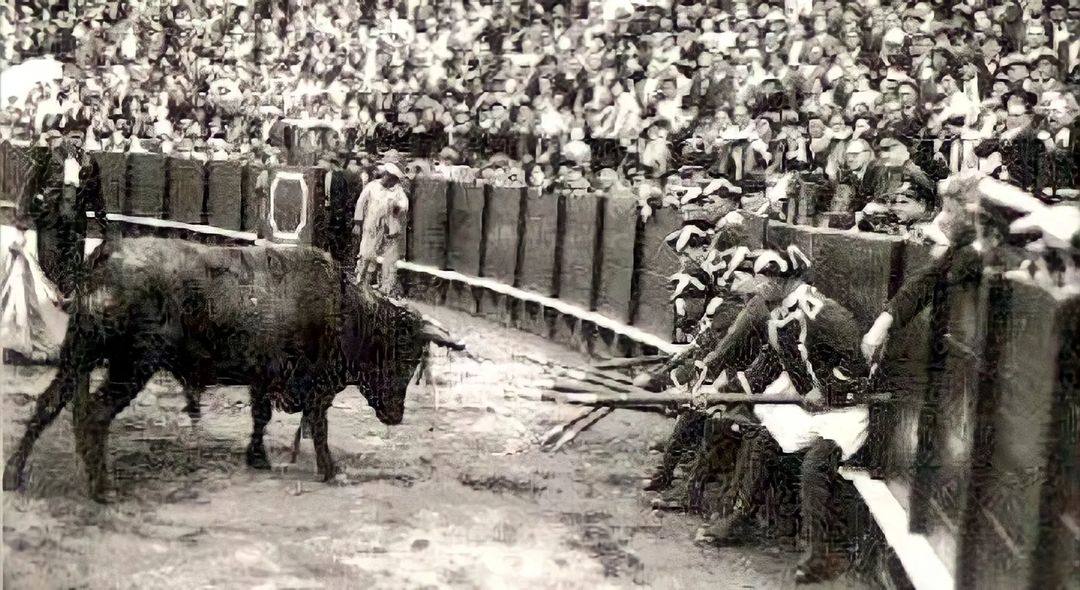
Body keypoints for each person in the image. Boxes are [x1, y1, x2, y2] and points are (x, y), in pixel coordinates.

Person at [353, 161, 409, 296]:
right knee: (366, 254)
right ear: (386, 175)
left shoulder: (397, 190)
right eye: (392, 179)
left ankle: (385, 286)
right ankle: (361, 281)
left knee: (384, 258)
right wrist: (357, 223)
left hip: (387, 230)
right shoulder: (372, 186)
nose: (393, 182)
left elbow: (404, 204)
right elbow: (360, 203)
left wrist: (398, 208)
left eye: (395, 180)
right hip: (371, 227)